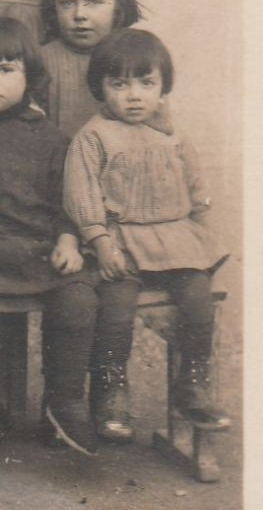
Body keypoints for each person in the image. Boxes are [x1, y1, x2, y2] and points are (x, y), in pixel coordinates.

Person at [0, 17, 98, 473]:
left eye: (5, 69)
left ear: (29, 77)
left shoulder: (50, 139)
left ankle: (64, 401)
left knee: (79, 298)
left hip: (37, 251)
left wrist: (68, 238)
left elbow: (69, 198)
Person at [64, 28, 230, 441]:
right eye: (119, 84)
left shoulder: (174, 137)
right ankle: (111, 390)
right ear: (100, 88)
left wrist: (203, 241)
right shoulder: (93, 137)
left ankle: (191, 384)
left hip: (176, 240)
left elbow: (196, 193)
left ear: (162, 87)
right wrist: (100, 244)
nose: (134, 95)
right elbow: (81, 195)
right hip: (123, 244)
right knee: (115, 309)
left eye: (146, 83)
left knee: (198, 299)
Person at [39, 0, 145, 137]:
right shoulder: (40, 60)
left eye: (94, 2)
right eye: (67, 3)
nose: (79, 14)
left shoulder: (137, 57)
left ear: (118, 5)